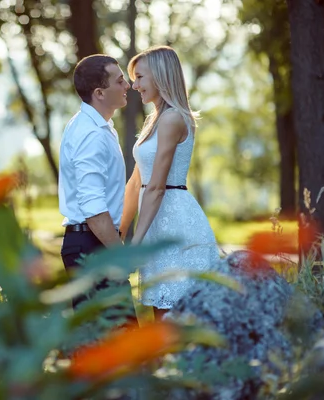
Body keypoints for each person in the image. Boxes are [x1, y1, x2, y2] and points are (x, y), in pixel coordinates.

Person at [119, 46, 220, 321]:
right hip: (156, 222)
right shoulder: (155, 119)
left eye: (140, 77)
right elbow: (136, 180)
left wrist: (135, 245)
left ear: (160, 76)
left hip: (175, 223)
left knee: (173, 322)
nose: (134, 84)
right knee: (161, 316)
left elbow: (156, 187)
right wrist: (121, 229)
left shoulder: (174, 117)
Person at [58, 54, 136, 323]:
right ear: (100, 93)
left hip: (93, 245)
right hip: (91, 250)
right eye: (120, 80)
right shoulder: (91, 134)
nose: (128, 85)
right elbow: (93, 210)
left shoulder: (99, 127)